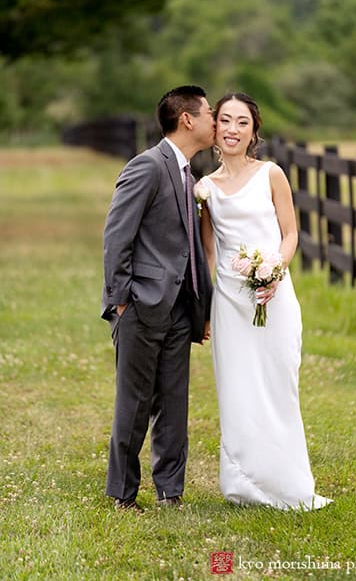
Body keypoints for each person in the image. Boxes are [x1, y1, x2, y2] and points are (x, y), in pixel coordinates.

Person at [198, 92, 332, 510]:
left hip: (274, 296)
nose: (232, 129)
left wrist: (275, 268)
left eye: (242, 122)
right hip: (230, 305)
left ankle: (288, 485)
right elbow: (208, 252)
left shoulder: (272, 174)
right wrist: (205, 307)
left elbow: (290, 233)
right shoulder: (205, 188)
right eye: (225, 120)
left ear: (254, 130)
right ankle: (243, 484)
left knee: (278, 384)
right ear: (214, 128)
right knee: (237, 390)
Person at [102, 85, 214, 512]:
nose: (214, 122)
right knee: (133, 404)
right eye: (209, 114)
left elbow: (188, 246)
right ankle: (122, 494)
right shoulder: (147, 167)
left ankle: (171, 491)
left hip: (180, 309)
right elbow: (117, 236)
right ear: (187, 119)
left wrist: (199, 306)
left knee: (173, 403)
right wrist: (121, 301)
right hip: (142, 305)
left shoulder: (188, 173)